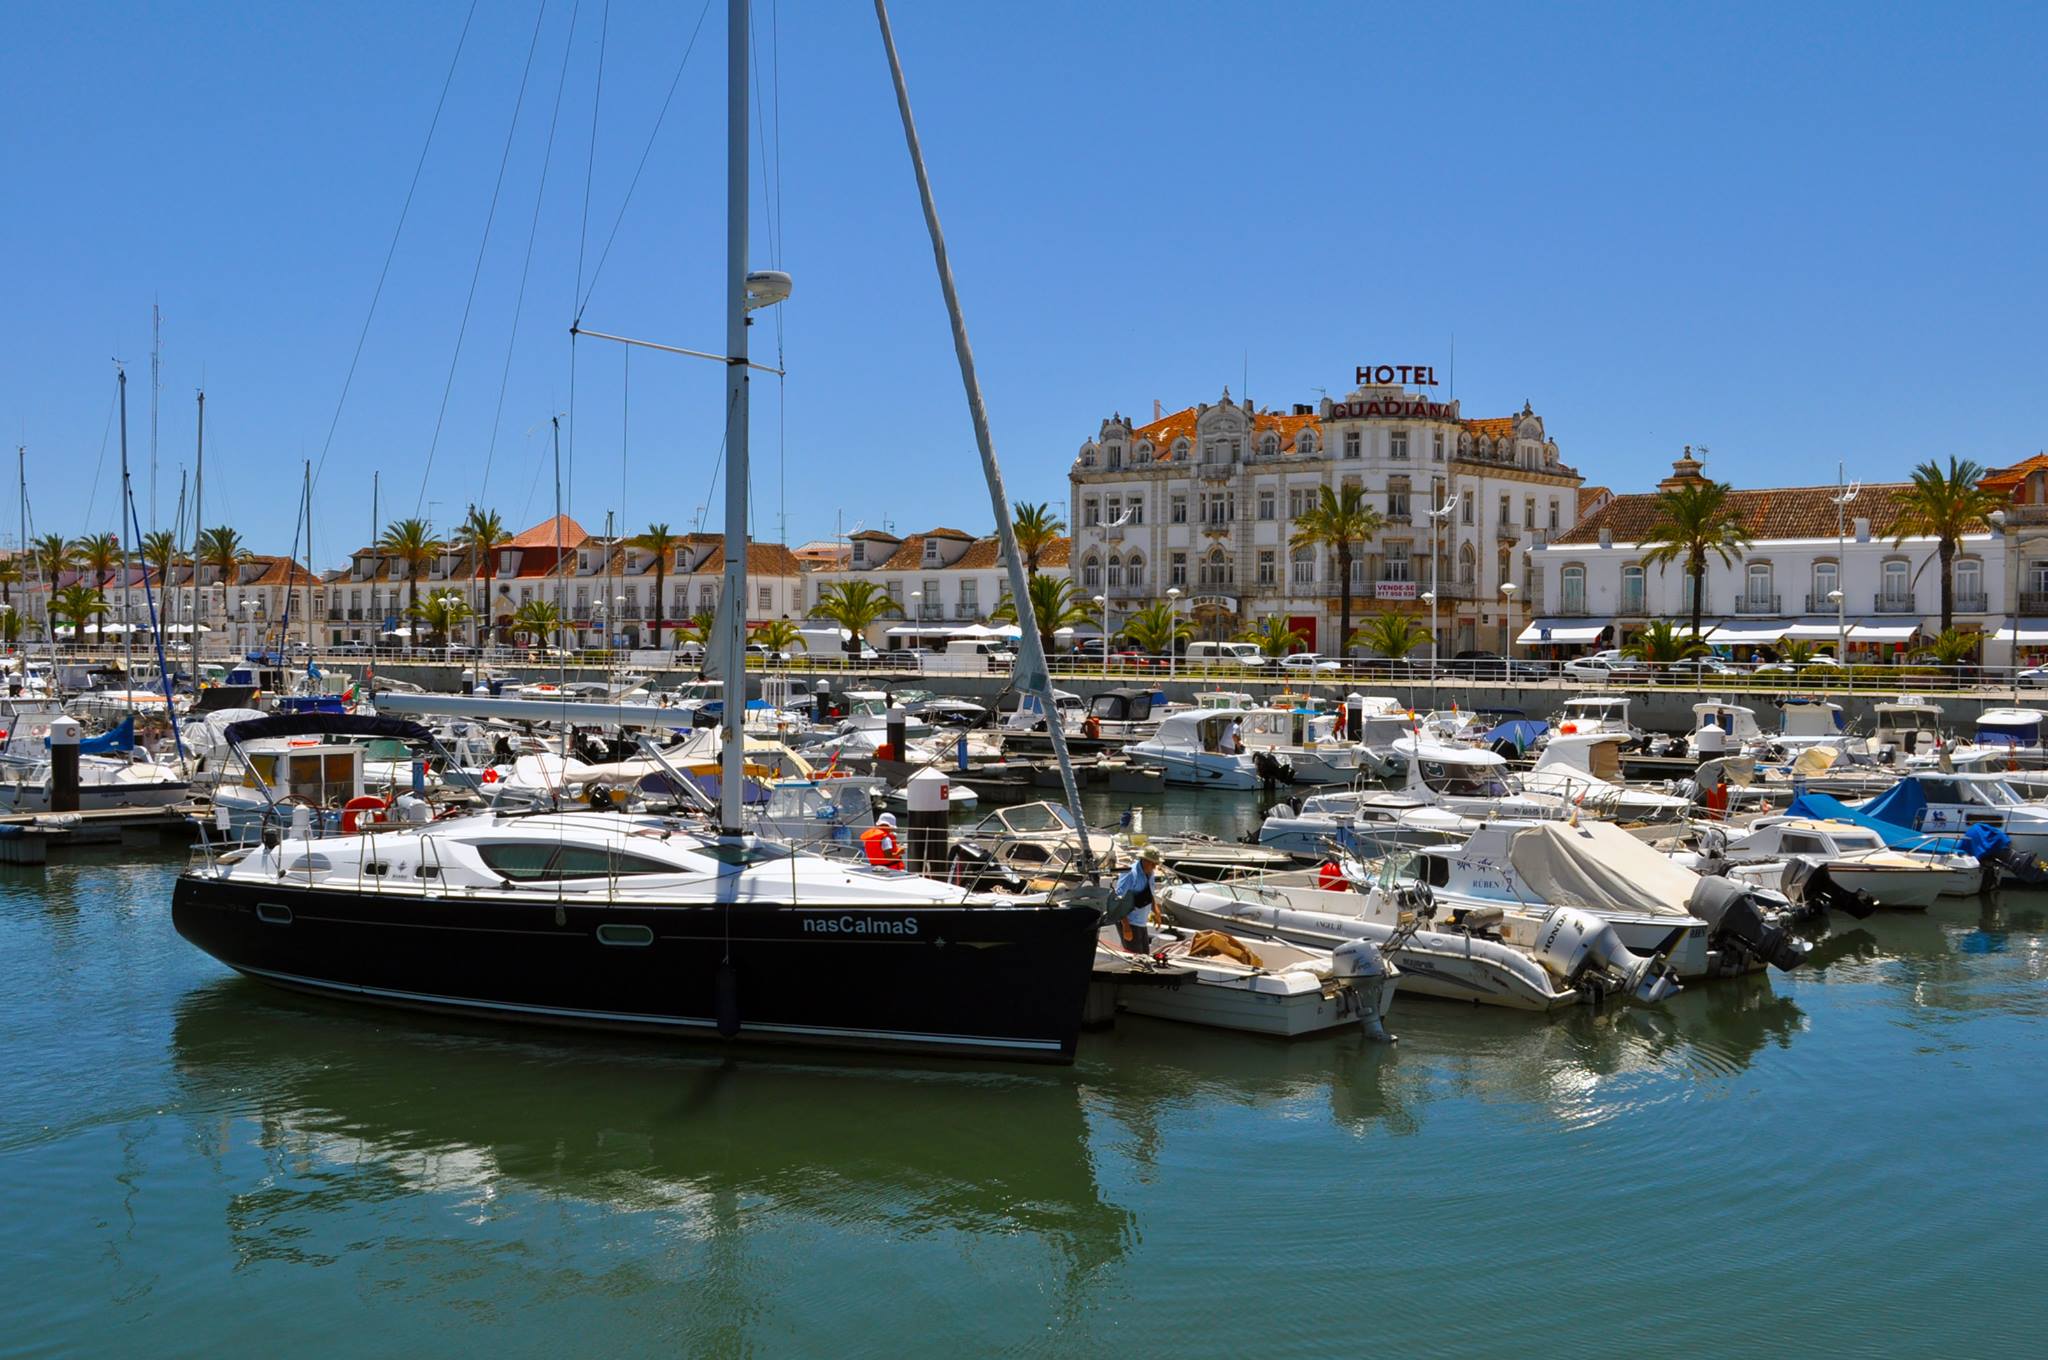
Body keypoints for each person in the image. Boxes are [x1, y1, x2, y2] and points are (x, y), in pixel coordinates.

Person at [1108, 844, 1165, 952]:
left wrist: (1156, 912)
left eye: (1156, 864)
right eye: (1153, 864)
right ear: (1145, 861)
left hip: (1141, 921)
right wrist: (1126, 927)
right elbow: (1118, 900)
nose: (1154, 867)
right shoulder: (1130, 874)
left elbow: (1149, 894)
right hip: (1129, 921)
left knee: (1145, 955)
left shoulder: (1150, 873)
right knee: (1137, 959)